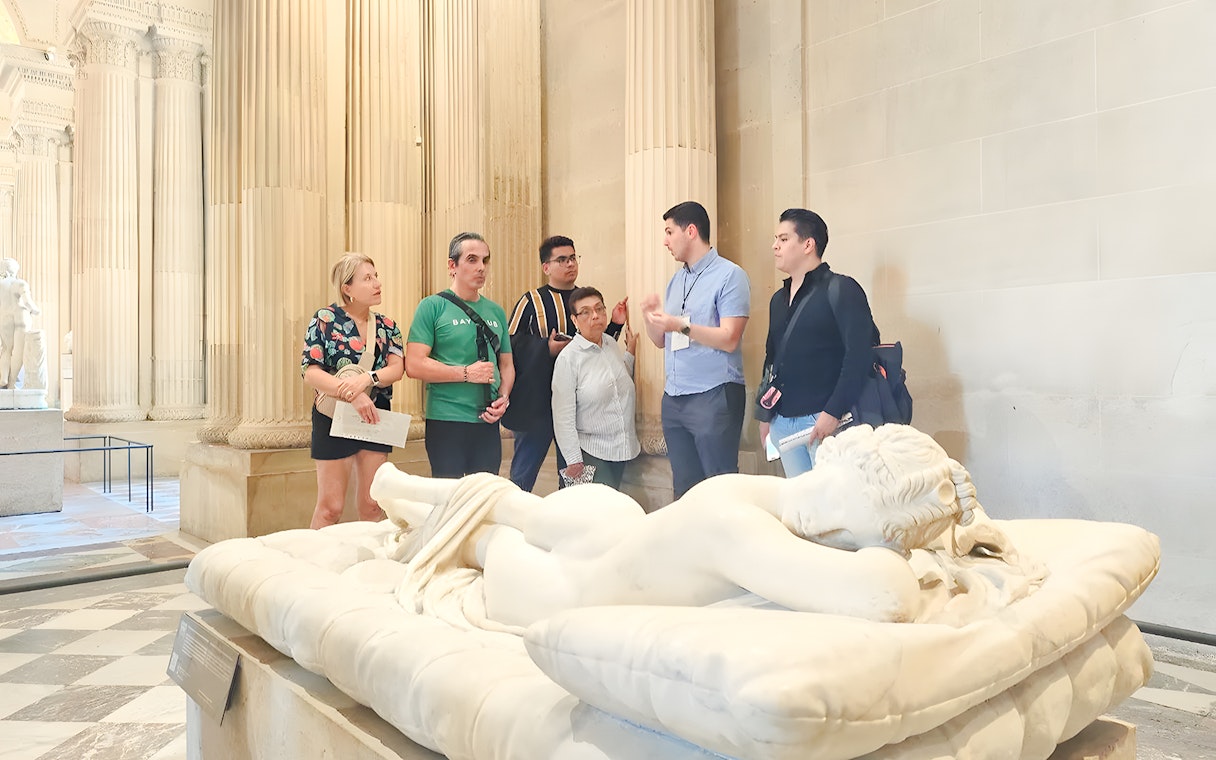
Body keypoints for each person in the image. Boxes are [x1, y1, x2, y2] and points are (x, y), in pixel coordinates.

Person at [370, 423, 1039, 632]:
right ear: (832, 456)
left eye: (846, 532)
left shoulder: (761, 504)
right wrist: (914, 552)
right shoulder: (740, 530)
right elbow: (886, 596)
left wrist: (951, 537)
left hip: (604, 544)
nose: (820, 519)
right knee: (502, 526)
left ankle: (403, 492)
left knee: (513, 512)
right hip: (559, 588)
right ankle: (400, 492)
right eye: (834, 494)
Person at [641, 201, 750, 499]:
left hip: (713, 394)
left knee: (719, 486)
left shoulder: (730, 275)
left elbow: (729, 338)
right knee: (684, 488)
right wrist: (650, 318)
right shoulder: (676, 281)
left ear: (691, 231)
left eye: (668, 232)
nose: (664, 241)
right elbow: (661, 341)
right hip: (675, 397)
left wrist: (679, 324)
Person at [757, 208, 876, 477]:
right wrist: (765, 415)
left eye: (784, 239)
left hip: (826, 419)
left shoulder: (841, 289)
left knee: (835, 509)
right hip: (784, 422)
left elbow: (858, 355)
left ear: (808, 244)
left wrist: (832, 412)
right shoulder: (778, 299)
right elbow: (772, 358)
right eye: (775, 239)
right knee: (801, 511)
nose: (775, 246)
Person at [502, 236, 627, 491]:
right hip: (538, 403)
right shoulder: (531, 301)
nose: (570, 264)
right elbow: (508, 346)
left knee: (573, 475)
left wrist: (615, 324)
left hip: (579, 410)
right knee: (523, 474)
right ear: (546, 267)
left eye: (573, 258)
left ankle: (568, 520)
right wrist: (545, 349)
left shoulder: (584, 301)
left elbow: (599, 349)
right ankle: (511, 520)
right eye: (562, 259)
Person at [301, 253, 406, 529]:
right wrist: (352, 393)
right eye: (367, 278)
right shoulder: (324, 319)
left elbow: (396, 369)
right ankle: (314, 566)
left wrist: (367, 380)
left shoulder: (388, 326)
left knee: (373, 504)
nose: (377, 283)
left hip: (374, 415)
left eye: (376, 276)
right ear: (347, 288)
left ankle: (369, 568)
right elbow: (311, 372)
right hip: (333, 416)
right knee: (330, 508)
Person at [406, 232, 514, 479]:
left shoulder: (496, 311)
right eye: (472, 260)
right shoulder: (432, 306)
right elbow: (414, 365)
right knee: (449, 498)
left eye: (485, 261)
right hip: (447, 419)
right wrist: (466, 374)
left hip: (487, 422)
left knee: (485, 498)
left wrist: (504, 397)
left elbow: (506, 364)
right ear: (452, 265)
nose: (481, 268)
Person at [550, 287, 640, 489]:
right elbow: (562, 415)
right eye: (586, 312)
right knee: (596, 515)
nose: (595, 316)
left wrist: (630, 353)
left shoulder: (609, 343)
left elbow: (617, 378)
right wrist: (573, 460)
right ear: (574, 320)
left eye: (599, 309)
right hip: (590, 452)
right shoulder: (569, 358)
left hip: (620, 447)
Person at [0, 257, 40, 389]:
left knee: (6, 349)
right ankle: (11, 383)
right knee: (18, 351)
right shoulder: (20, 283)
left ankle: (3, 377)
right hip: (21, 318)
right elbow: (28, 303)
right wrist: (36, 311)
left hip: (4, 319)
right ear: (15, 270)